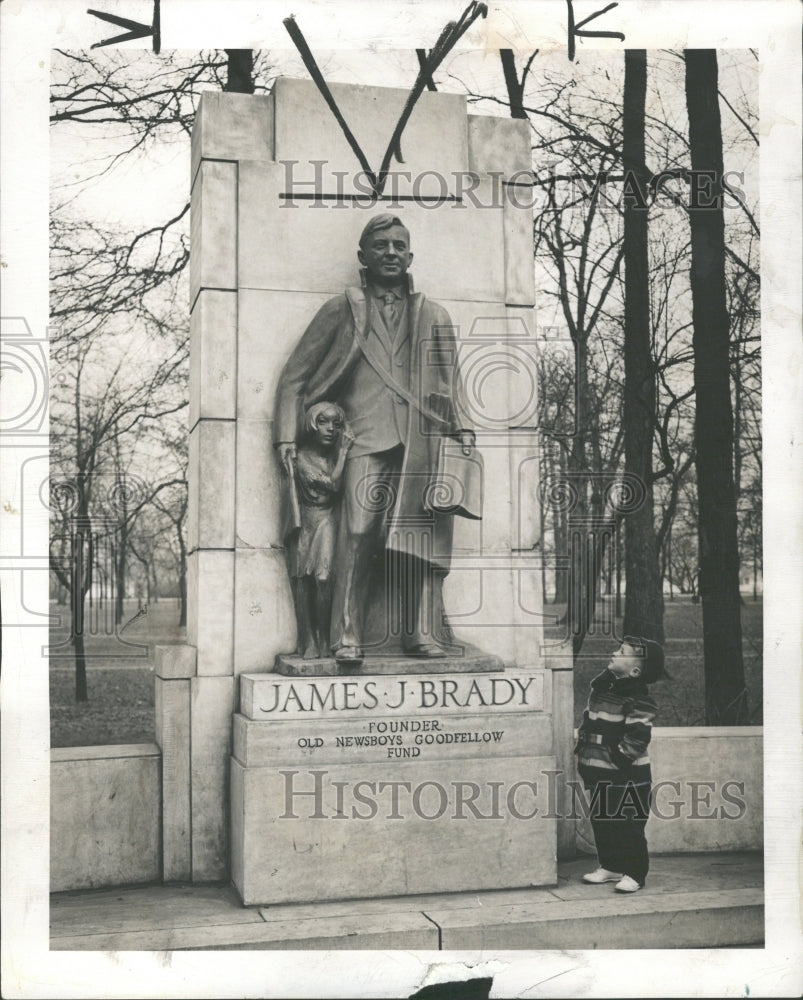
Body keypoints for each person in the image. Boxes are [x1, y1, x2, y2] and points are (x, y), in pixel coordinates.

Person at [274, 214, 474, 664]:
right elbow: (295, 376)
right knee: (358, 533)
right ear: (362, 256)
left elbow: (452, 380)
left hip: (424, 441)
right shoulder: (341, 310)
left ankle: (422, 633)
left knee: (424, 534)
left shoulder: (435, 315)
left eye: (399, 246)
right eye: (380, 245)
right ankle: (347, 635)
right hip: (363, 439)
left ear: (410, 256)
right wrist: (287, 437)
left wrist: (463, 434)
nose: (390, 253)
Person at [575, 636, 666, 893]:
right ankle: (611, 865)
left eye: (622, 652)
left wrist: (618, 760)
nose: (614, 653)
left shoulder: (638, 698)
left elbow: (638, 737)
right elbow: (589, 722)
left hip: (628, 776)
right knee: (603, 820)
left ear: (635, 671)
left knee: (628, 825)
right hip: (600, 772)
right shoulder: (603, 691)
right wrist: (583, 751)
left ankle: (635, 872)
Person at [284, 402, 353, 659]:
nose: (331, 429)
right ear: (312, 424)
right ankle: (308, 638)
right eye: (324, 422)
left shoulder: (331, 455)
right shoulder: (302, 458)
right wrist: (345, 451)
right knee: (304, 582)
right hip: (307, 521)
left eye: (336, 424)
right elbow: (333, 485)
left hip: (328, 520)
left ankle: (325, 637)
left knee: (323, 579)